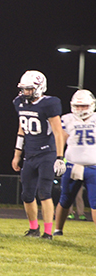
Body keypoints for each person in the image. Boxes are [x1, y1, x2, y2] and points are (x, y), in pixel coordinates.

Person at [11, 70, 66, 240]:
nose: (25, 92)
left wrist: (59, 157)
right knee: (27, 195)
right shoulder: (19, 103)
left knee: (44, 193)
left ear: (39, 88)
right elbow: (21, 129)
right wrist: (17, 155)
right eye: (24, 89)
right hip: (30, 154)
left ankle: (48, 232)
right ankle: (33, 228)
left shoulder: (49, 104)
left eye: (28, 89)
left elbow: (58, 132)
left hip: (47, 154)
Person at [54, 89, 96, 236]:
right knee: (65, 199)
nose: (80, 109)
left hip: (94, 167)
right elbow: (61, 140)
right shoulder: (67, 119)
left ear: (91, 105)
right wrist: (58, 158)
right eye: (77, 106)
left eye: (83, 106)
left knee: (95, 203)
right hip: (73, 165)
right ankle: (58, 230)